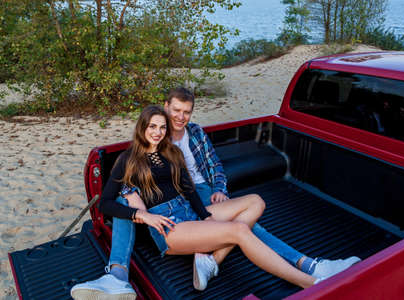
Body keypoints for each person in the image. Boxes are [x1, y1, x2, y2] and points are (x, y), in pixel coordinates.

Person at [70, 106, 323, 300]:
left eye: (162, 127)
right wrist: (143, 216)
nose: (157, 132)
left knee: (255, 202)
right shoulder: (128, 160)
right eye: (152, 127)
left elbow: (190, 191)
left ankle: (211, 259)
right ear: (142, 128)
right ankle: (308, 283)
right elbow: (104, 204)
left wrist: (206, 217)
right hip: (169, 226)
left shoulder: (172, 153)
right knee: (239, 230)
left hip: (189, 211)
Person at [124, 87, 361, 291]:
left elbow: (214, 163)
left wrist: (219, 188)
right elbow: (135, 181)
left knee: (251, 209)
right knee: (249, 226)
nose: (181, 116)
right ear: (166, 107)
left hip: (204, 189)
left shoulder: (195, 132)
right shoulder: (157, 136)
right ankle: (307, 265)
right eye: (176, 110)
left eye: (186, 112)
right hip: (184, 199)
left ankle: (212, 260)